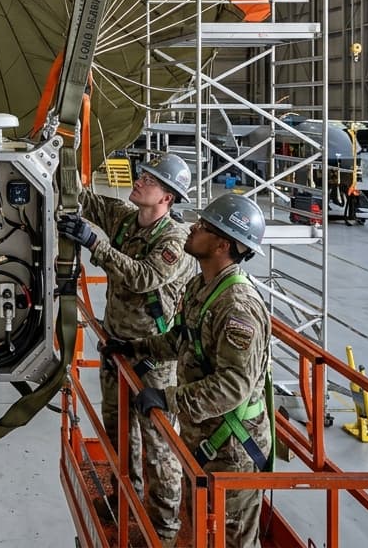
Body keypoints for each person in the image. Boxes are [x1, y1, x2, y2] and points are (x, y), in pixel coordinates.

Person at [111, 193, 272, 548]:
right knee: (201, 524)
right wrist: (136, 348)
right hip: (205, 437)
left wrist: (168, 398)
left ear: (221, 244)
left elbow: (234, 386)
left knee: (232, 540)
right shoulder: (201, 286)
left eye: (203, 227)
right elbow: (182, 339)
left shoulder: (236, 308)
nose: (192, 228)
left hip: (232, 447)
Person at [58, 152, 197, 547]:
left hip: (153, 356)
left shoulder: (175, 240)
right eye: (143, 174)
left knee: (158, 445)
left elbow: (143, 277)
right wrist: (58, 161)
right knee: (119, 432)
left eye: (150, 180)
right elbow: (86, 198)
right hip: (117, 346)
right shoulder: (124, 218)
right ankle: (125, 501)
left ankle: (165, 527)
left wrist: (94, 245)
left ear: (167, 197)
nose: (139, 180)